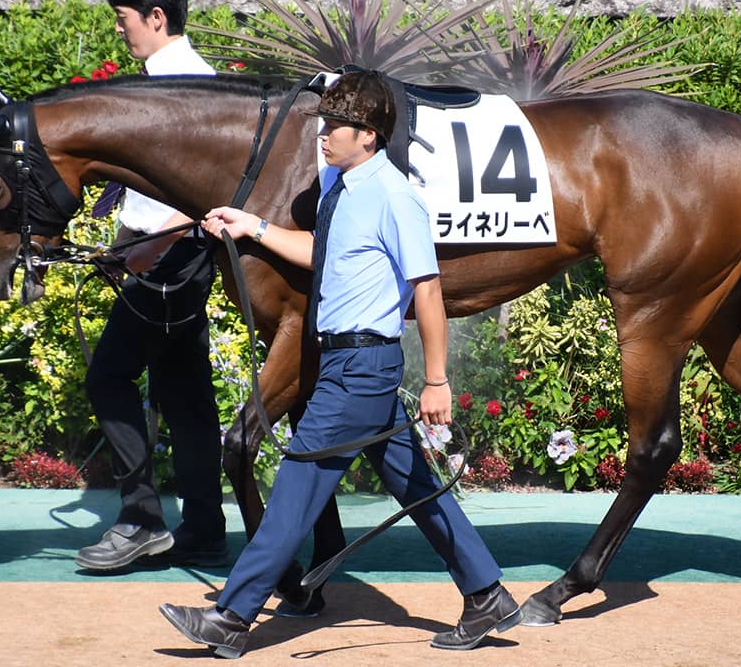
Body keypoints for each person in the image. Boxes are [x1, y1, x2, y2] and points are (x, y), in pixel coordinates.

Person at [158, 70, 521, 658]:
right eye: (323, 124)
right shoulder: (340, 187)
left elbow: (427, 290)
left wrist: (436, 379)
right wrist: (252, 226)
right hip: (347, 367)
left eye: (335, 126)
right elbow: (319, 254)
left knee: (296, 486)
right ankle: (485, 593)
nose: (323, 135)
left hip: (360, 369)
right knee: (418, 486)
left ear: (369, 135)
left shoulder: (394, 196)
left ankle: (230, 618)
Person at [75, 0, 228, 573]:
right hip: (171, 258)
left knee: (108, 378)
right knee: (184, 391)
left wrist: (144, 247)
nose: (120, 30)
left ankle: (141, 521)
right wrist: (121, 241)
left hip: (172, 259)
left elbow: (211, 195)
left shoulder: (181, 85)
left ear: (155, 16)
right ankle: (205, 529)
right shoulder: (186, 78)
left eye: (123, 18)